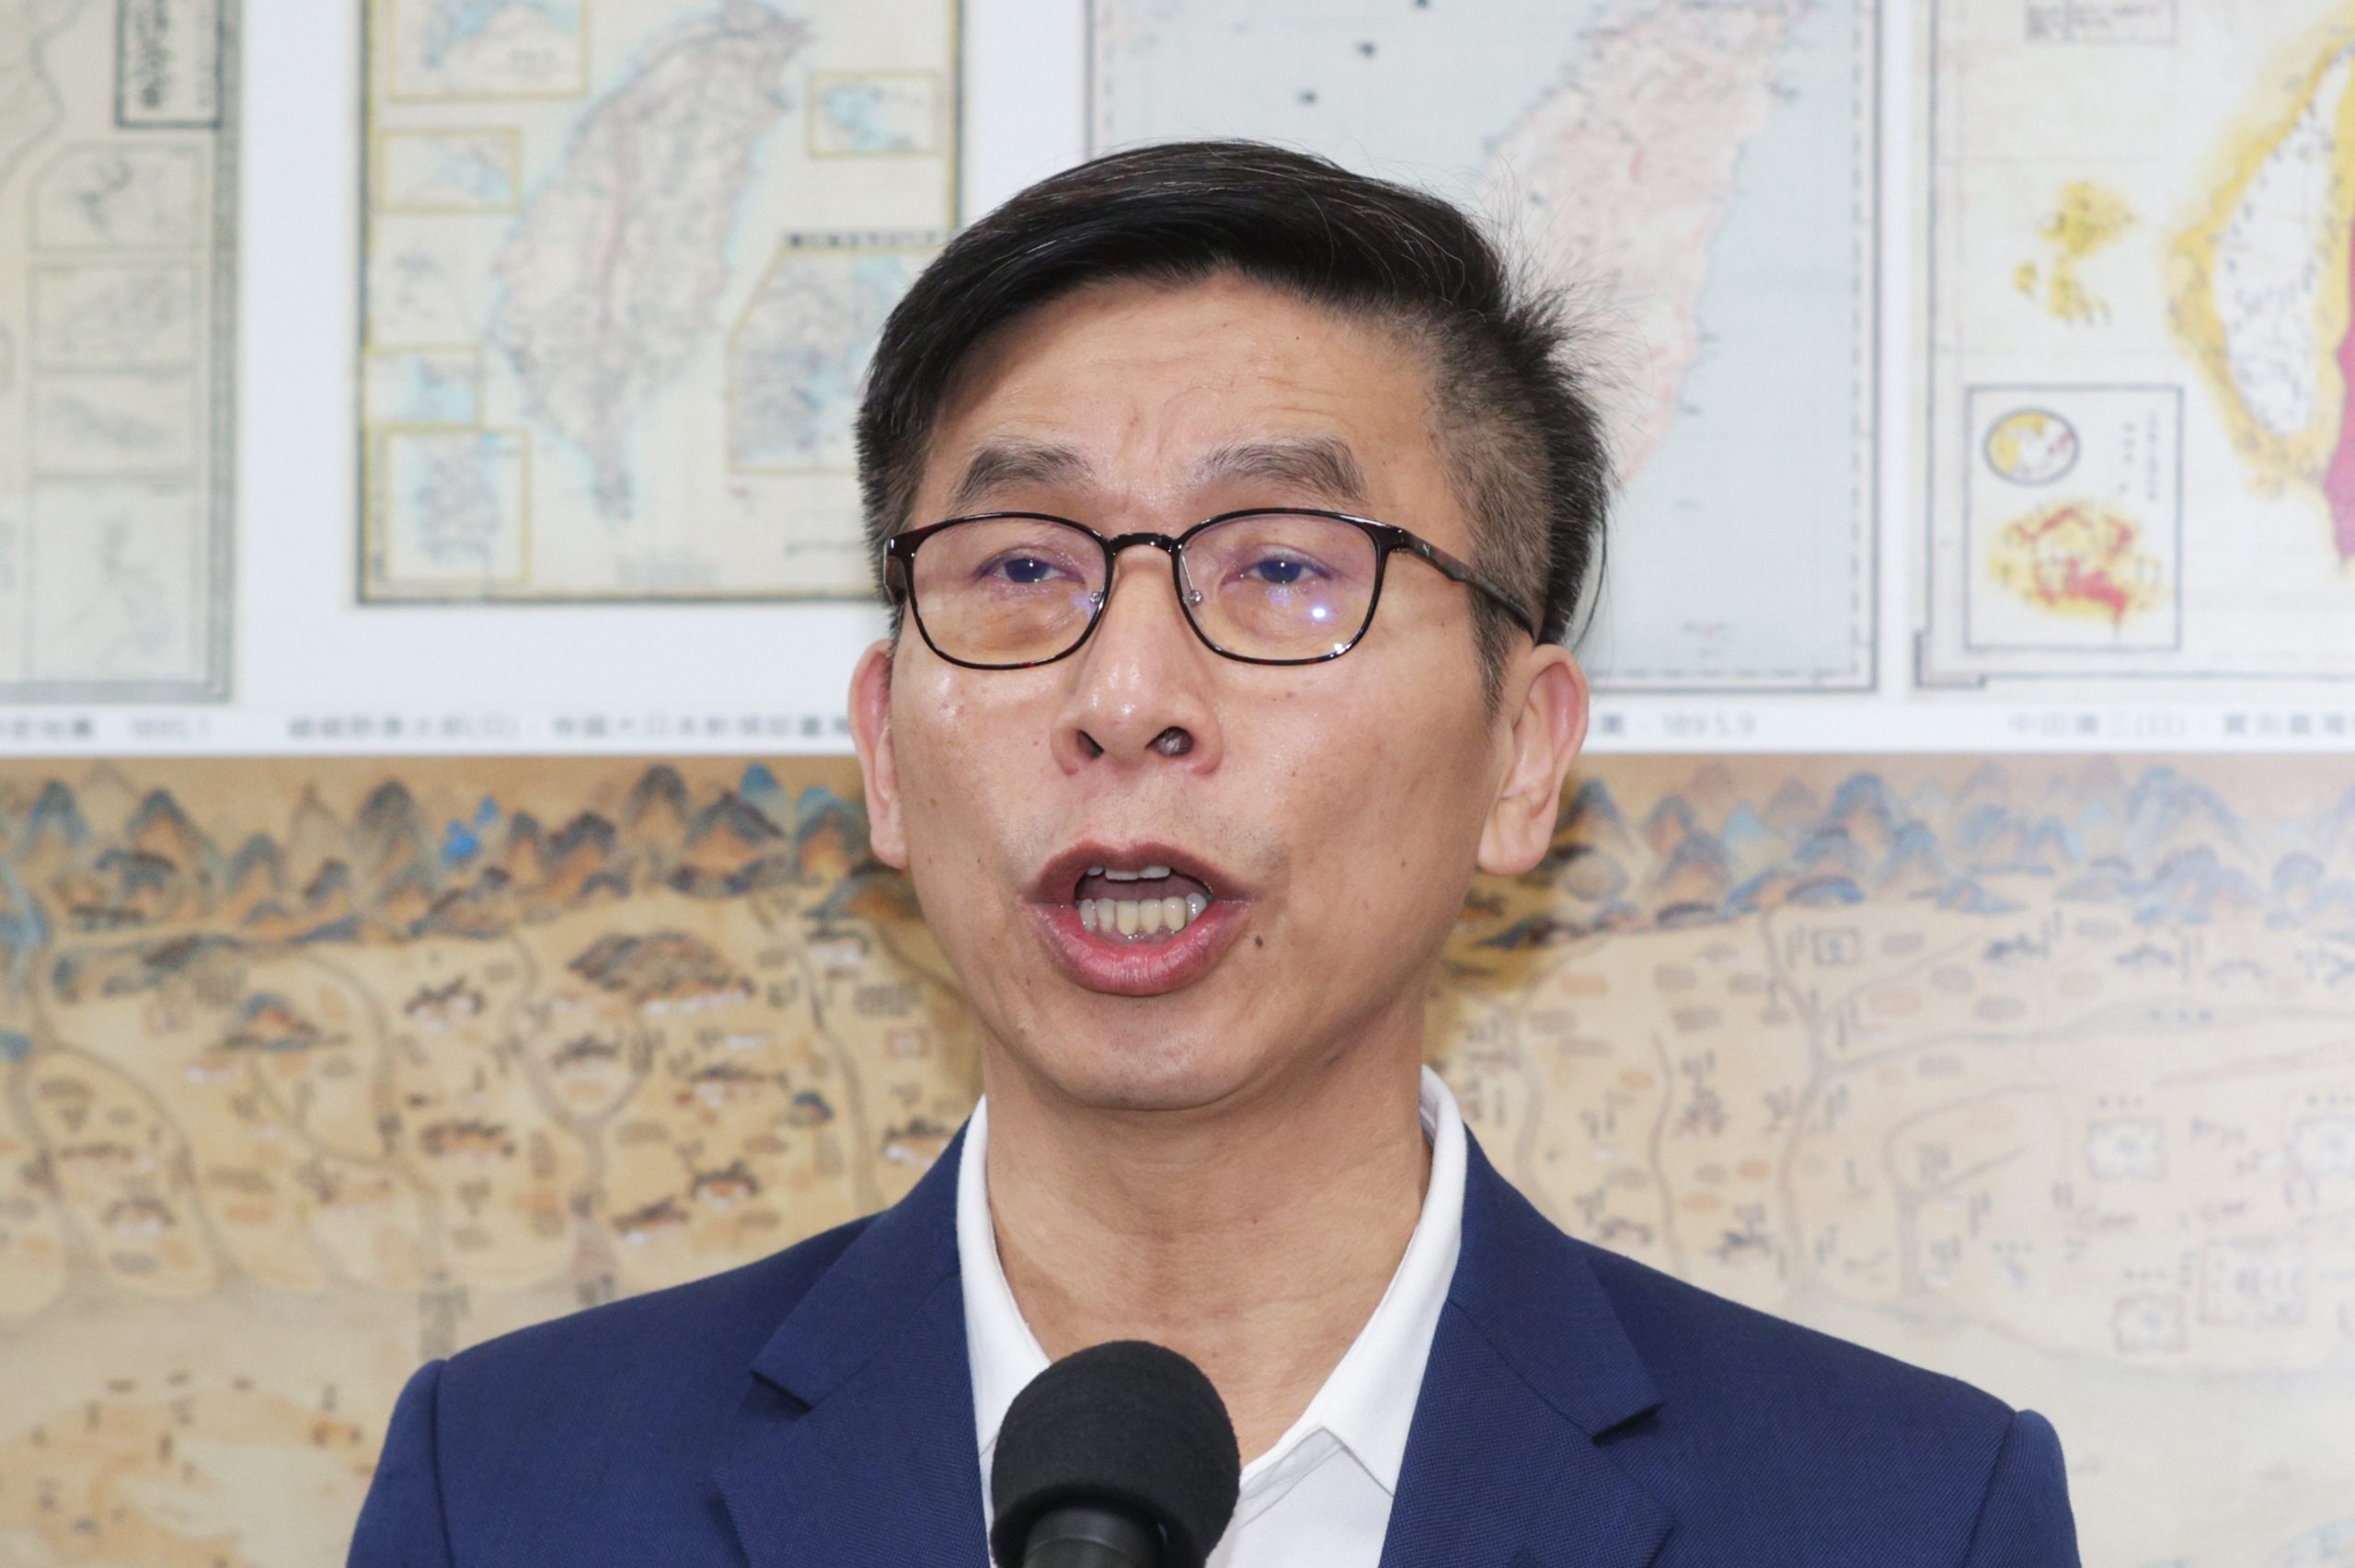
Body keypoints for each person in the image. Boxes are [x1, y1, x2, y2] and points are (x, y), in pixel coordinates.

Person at [349, 141, 2079, 1567]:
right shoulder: (506, 1494)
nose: (1126, 698)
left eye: (1284, 569)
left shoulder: (1909, 1515)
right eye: (1023, 569)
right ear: (885, 751)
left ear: (1520, 752)